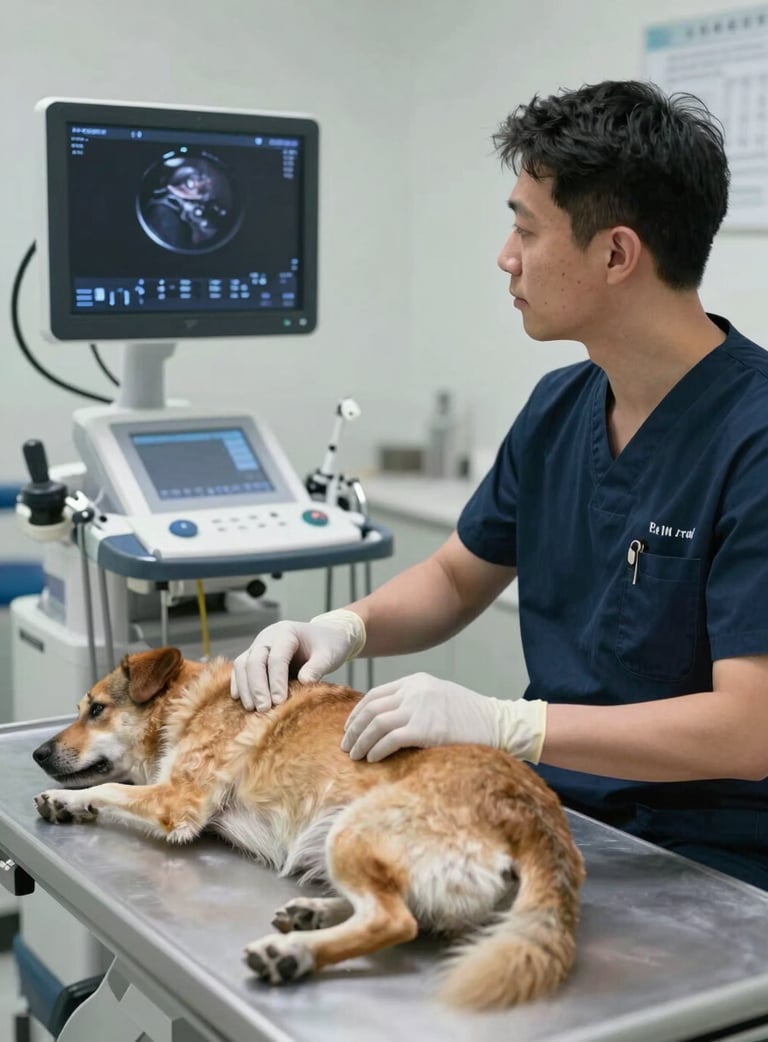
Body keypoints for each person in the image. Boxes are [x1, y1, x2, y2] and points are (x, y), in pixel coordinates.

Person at [231, 80, 768, 890]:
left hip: (710, 861)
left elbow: (747, 727)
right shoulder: (561, 405)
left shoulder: (752, 438)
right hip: (549, 814)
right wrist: (343, 627)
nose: (505, 256)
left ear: (617, 254)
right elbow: (455, 576)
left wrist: (509, 724)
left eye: (525, 228)